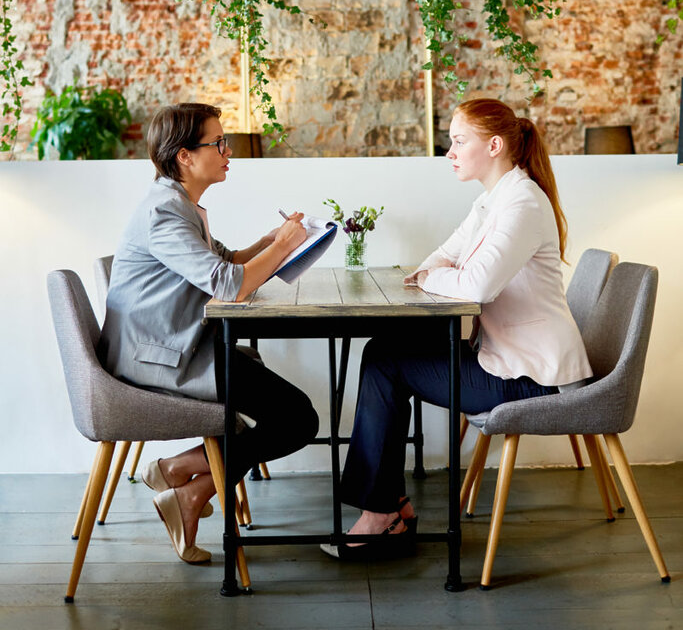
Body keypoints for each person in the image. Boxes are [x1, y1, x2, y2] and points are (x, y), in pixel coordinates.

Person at [322, 98, 592, 560]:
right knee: (385, 351)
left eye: (459, 140)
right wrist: (436, 273)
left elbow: (476, 285)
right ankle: (388, 507)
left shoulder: (522, 203)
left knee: (385, 360)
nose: (450, 151)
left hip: (534, 380)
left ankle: (381, 513)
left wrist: (435, 277)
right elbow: (438, 258)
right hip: (508, 361)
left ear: (494, 145)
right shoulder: (491, 201)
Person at [98, 103, 319, 564]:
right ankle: (185, 482)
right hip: (154, 359)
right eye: (217, 143)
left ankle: (184, 480)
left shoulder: (180, 204)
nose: (227, 150)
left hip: (177, 347)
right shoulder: (165, 212)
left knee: (289, 414)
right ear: (183, 155)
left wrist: (271, 240)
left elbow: (228, 262)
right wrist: (280, 248)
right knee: (298, 420)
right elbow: (229, 287)